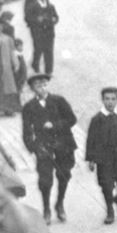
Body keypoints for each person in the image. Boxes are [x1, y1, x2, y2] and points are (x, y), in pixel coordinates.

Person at [21, 73, 77, 224]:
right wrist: (33, 147)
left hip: (64, 145)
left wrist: (55, 125)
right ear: (32, 88)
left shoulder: (59, 101)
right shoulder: (29, 107)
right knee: (45, 181)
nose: (42, 87)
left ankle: (60, 204)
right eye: (37, 85)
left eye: (44, 84)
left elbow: (72, 119)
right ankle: (46, 208)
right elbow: (26, 131)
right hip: (44, 148)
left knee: (64, 175)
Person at [85, 87, 117, 224]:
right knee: (107, 184)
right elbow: (91, 139)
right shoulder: (97, 119)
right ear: (102, 100)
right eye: (107, 99)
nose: (110, 102)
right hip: (104, 158)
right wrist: (91, 159)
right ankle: (110, 210)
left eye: (113, 99)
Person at [23, 0, 59, 74]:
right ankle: (35, 65)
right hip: (37, 31)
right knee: (38, 49)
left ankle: (49, 71)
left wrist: (54, 20)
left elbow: (55, 16)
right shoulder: (30, 1)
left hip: (49, 31)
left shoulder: (48, 3)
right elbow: (27, 17)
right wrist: (36, 20)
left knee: (49, 51)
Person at [0, 28, 20, 116]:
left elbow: (12, 52)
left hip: (5, 67)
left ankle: (8, 109)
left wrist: (16, 62)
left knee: (8, 88)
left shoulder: (8, 39)